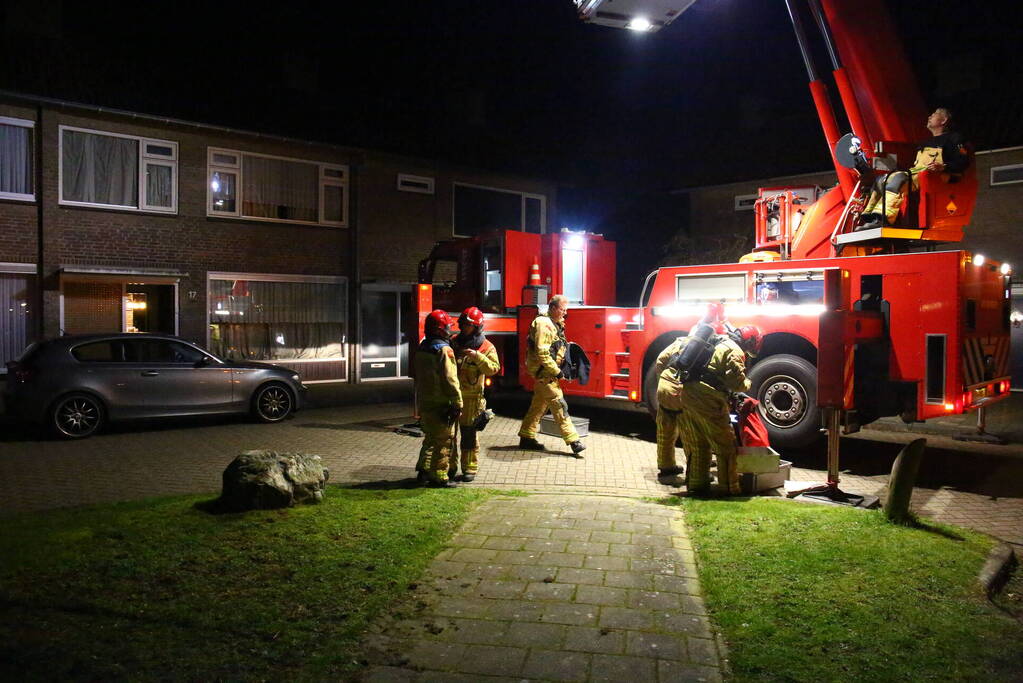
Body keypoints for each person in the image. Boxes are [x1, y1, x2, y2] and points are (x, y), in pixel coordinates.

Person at [676, 323, 761, 496]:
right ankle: (729, 489)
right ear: (750, 342)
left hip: (688, 393)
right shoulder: (735, 351)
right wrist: (748, 383)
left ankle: (697, 486)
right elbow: (736, 383)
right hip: (708, 398)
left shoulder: (719, 341)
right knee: (725, 446)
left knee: (699, 444)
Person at [858, 107, 970, 230]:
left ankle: (883, 220)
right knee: (881, 180)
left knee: (899, 179)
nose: (929, 117)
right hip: (918, 173)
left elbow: (963, 161)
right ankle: (870, 217)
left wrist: (944, 167)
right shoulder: (925, 142)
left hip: (936, 177)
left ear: (944, 120)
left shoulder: (955, 139)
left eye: (934, 114)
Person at [517, 294, 586, 456]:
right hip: (545, 374)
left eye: (565, 310)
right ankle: (573, 441)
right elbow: (543, 353)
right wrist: (558, 372)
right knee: (559, 405)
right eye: (562, 309)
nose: (565, 313)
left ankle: (526, 436)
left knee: (538, 406)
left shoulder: (554, 323)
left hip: (546, 374)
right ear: (553, 308)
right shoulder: (544, 325)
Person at [450, 306, 500, 482]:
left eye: (468, 325)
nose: (464, 328)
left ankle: (469, 468)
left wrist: (477, 356)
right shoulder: (454, 342)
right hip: (452, 397)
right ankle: (449, 467)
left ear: (477, 327)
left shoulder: (486, 347)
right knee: (449, 435)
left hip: (472, 399)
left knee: (469, 435)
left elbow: (494, 368)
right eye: (463, 324)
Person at [414, 309, 462, 488]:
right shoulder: (444, 350)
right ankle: (440, 476)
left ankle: (424, 470)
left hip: (426, 401)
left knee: (430, 438)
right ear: (440, 329)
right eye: (448, 326)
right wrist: (457, 401)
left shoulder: (422, 348)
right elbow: (450, 379)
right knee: (444, 440)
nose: (450, 329)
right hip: (442, 402)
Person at [653, 337, 688, 479]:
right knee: (691, 434)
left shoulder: (680, 342)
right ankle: (696, 471)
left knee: (665, 431)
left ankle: (666, 466)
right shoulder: (710, 349)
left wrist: (665, 379)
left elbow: (660, 360)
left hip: (665, 388)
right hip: (684, 393)